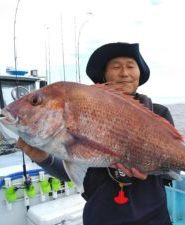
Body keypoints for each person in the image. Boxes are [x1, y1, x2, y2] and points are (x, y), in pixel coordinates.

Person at [17, 42, 175, 225]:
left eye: (131, 66)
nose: (124, 73)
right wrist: (43, 158)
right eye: (116, 67)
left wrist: (150, 171)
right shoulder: (83, 113)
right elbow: (72, 173)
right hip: (100, 218)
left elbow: (173, 171)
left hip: (154, 218)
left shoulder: (159, 113)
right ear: (104, 75)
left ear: (139, 73)